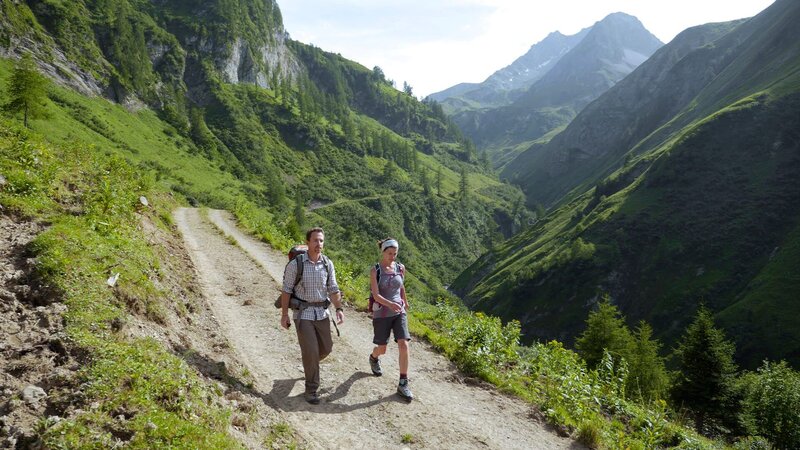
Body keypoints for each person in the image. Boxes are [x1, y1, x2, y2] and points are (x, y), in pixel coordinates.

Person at [280, 227, 345, 404]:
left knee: (326, 349)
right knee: (311, 351)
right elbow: (286, 290)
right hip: (303, 314)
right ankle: (311, 389)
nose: (319, 244)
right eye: (315, 240)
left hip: (322, 313)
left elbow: (333, 288)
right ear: (308, 242)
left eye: (321, 241)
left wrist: (339, 308)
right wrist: (284, 314)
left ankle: (310, 363)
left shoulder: (327, 263)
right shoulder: (296, 264)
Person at [368, 238, 413, 400]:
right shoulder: (375, 271)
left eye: (395, 254)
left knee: (404, 344)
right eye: (389, 253)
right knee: (382, 349)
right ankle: (374, 357)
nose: (392, 257)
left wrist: (404, 302)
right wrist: (390, 304)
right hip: (382, 314)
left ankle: (403, 382)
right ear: (383, 252)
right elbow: (376, 295)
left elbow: (401, 286)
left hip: (399, 312)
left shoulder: (400, 268)